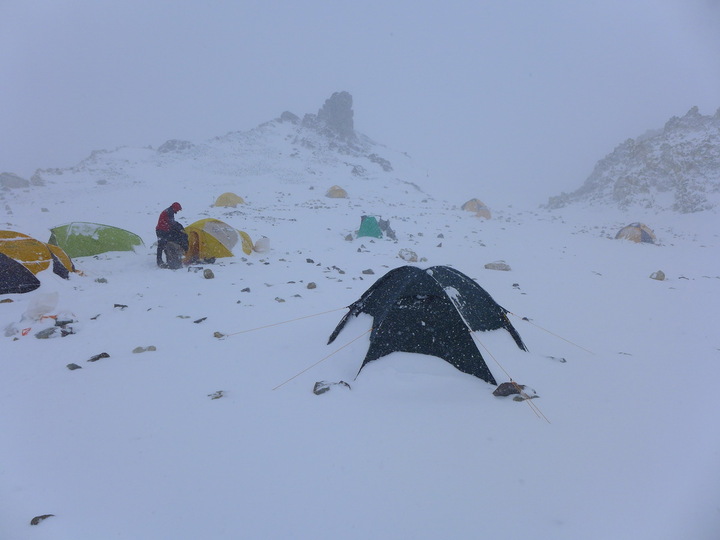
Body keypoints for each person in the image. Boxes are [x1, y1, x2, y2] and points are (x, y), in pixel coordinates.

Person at [155, 202, 187, 268]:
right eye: (178, 210)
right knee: (161, 245)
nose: (177, 211)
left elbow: (171, 222)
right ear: (175, 208)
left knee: (164, 244)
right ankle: (159, 261)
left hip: (162, 230)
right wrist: (179, 228)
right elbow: (172, 223)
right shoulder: (169, 212)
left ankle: (168, 260)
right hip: (161, 230)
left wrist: (178, 225)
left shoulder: (169, 211)